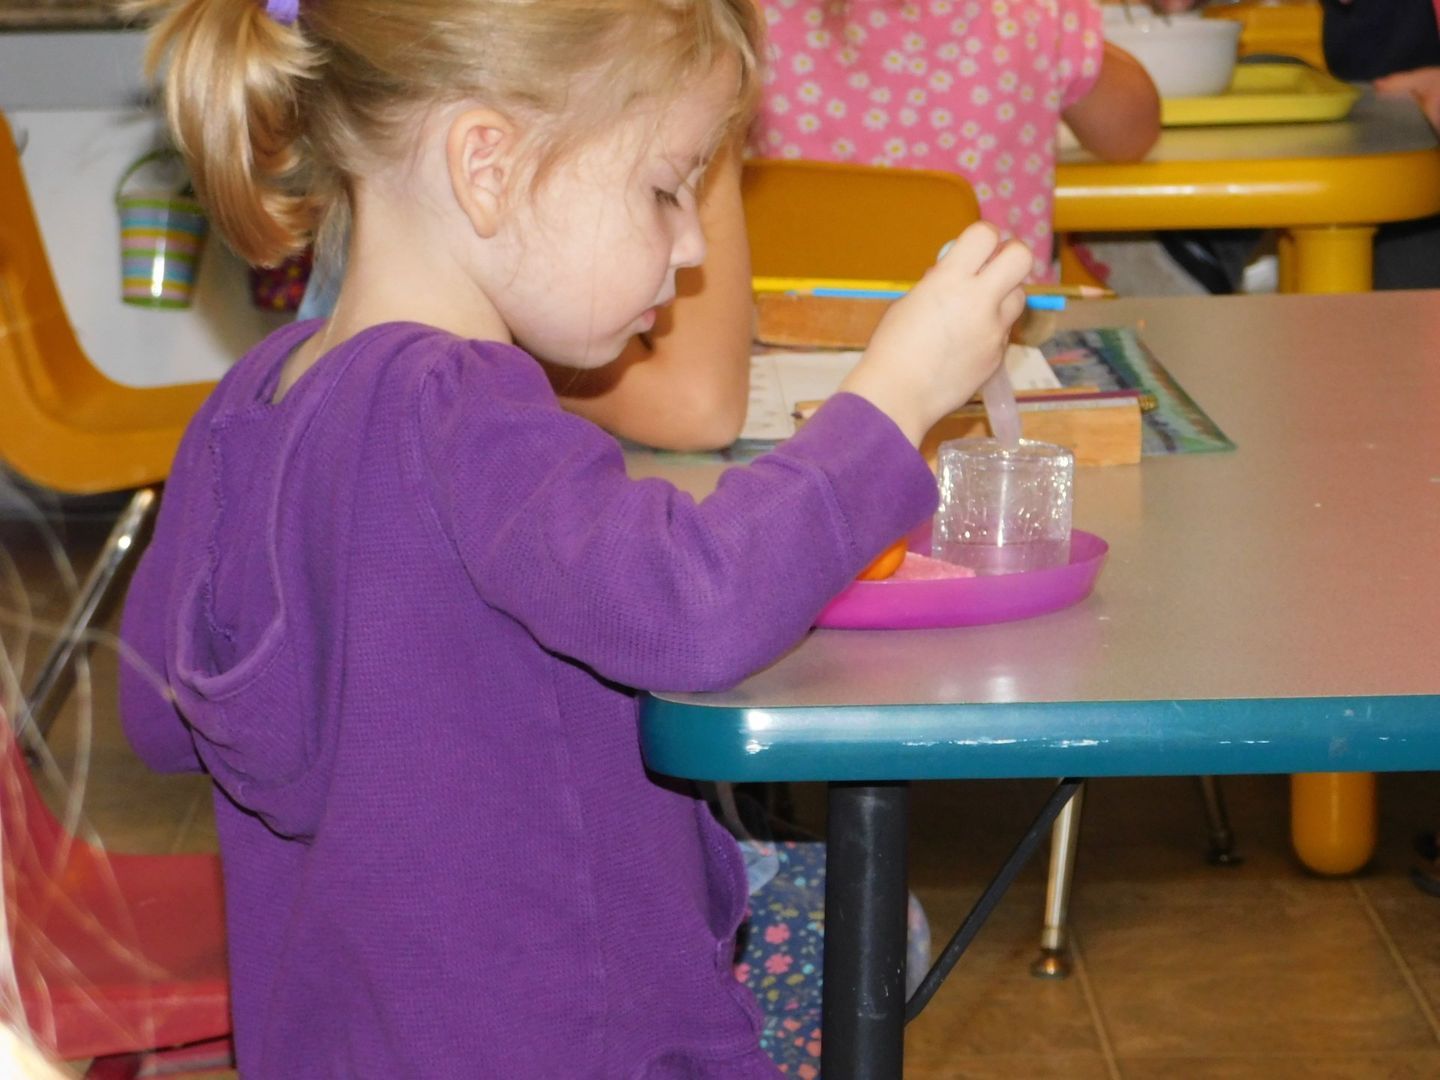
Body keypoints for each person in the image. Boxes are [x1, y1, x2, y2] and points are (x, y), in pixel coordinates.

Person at [117, 0, 1035, 1076]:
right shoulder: (463, 405)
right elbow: (694, 605)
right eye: (666, 187)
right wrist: (892, 402)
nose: (692, 247)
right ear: (487, 167)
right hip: (564, 1036)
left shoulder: (248, 400)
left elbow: (157, 718)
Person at [749, 0, 1161, 278]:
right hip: (984, 347)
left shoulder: (743, 19)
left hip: (784, 339)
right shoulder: (1028, 11)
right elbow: (1132, 135)